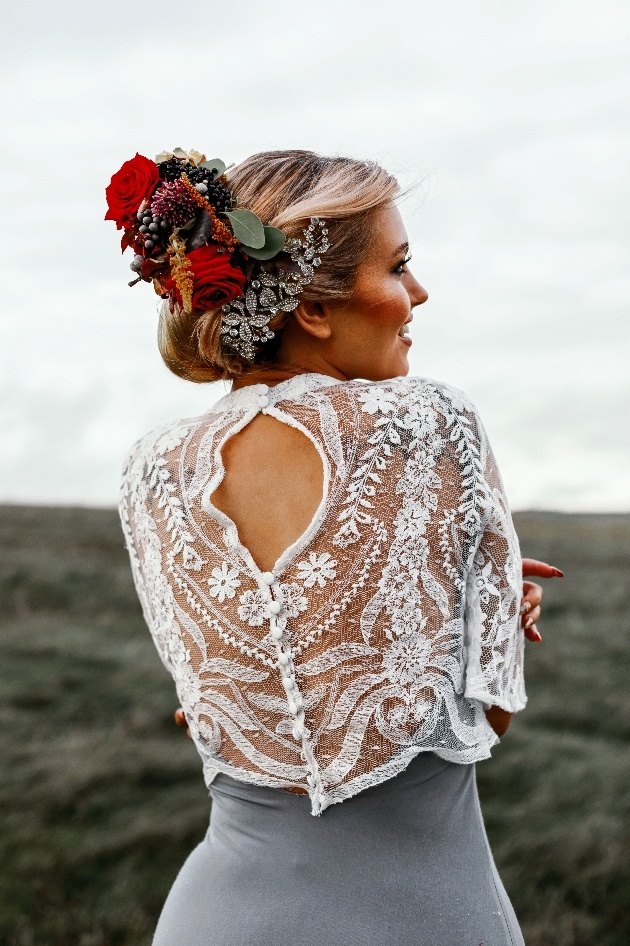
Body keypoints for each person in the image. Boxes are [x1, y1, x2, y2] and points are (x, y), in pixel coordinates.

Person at [108, 148, 563, 946]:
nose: (418, 294)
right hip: (424, 913)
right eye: (400, 267)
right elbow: (487, 718)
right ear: (314, 309)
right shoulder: (431, 422)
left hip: (217, 918)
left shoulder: (150, 471)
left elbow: (211, 717)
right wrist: (476, 612)